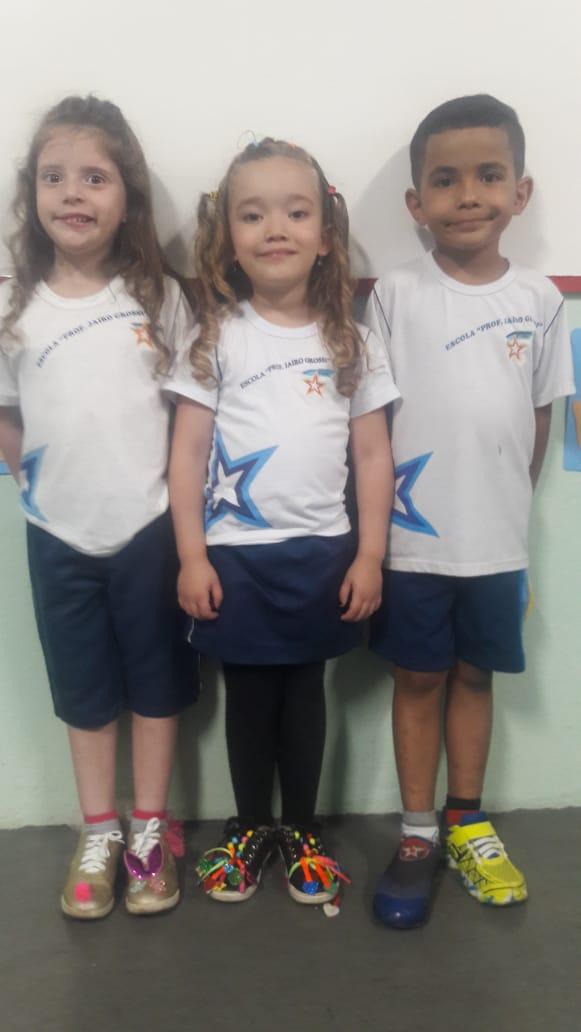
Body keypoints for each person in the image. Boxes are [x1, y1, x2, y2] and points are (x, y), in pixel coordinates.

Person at [167, 137, 398, 906]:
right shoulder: (213, 337)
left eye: (296, 213)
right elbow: (186, 455)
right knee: (247, 699)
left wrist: (369, 556)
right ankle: (247, 827)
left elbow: (372, 456)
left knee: (304, 697)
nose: (275, 229)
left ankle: (300, 829)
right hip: (234, 557)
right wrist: (191, 556)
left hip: (322, 556)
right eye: (253, 214)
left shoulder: (352, 341)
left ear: (325, 235)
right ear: (227, 237)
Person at [366, 94, 575, 929]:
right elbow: (371, 424)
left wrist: (506, 513)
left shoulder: (539, 299)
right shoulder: (395, 294)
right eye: (444, 180)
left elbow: (536, 419)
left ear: (519, 192)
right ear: (415, 203)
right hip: (411, 543)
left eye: (488, 176)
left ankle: (465, 820)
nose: (466, 195)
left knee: (475, 675)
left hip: (495, 543)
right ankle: (417, 834)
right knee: (417, 678)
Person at [0, 95, 198, 919]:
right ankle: (99, 832)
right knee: (83, 693)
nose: (72, 193)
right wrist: (33, 485)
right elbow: (8, 413)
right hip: (56, 534)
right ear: (31, 193)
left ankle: (148, 831)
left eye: (94, 177)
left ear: (128, 197)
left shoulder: (161, 299)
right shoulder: (14, 304)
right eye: (53, 177)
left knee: (154, 687)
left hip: (150, 532)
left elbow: (187, 415)